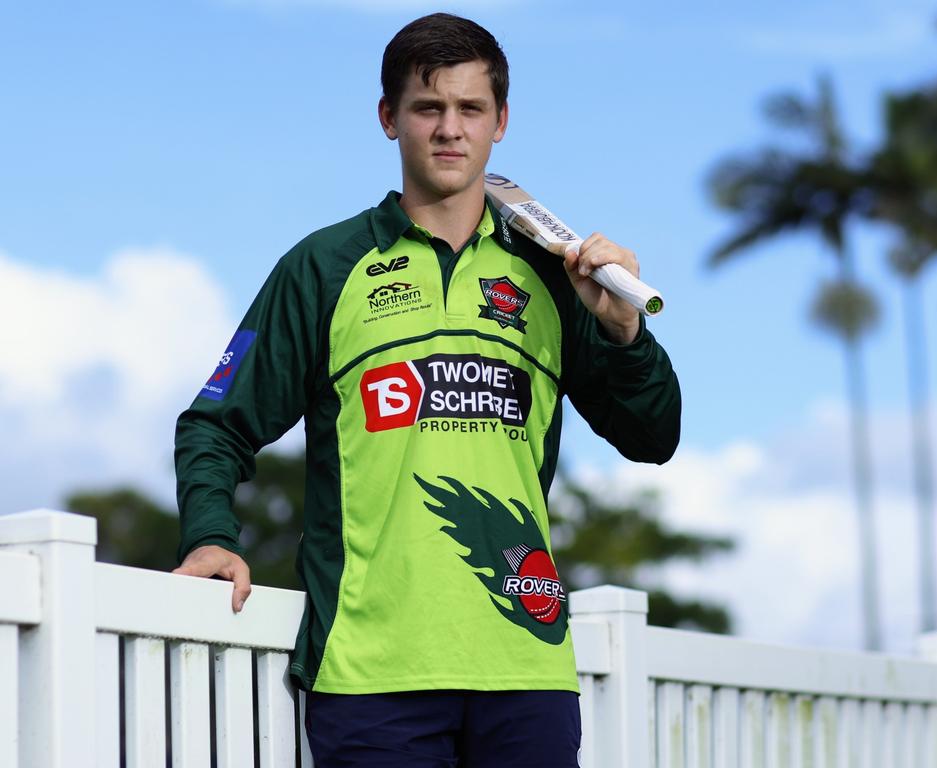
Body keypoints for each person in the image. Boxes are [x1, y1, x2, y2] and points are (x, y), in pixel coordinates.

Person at [173, 12, 680, 767]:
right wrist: (211, 534)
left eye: (471, 109)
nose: (450, 129)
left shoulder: (556, 276)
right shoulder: (324, 267)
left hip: (526, 665)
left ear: (501, 121)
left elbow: (653, 437)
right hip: (372, 673)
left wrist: (623, 334)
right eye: (428, 108)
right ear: (389, 118)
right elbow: (215, 423)